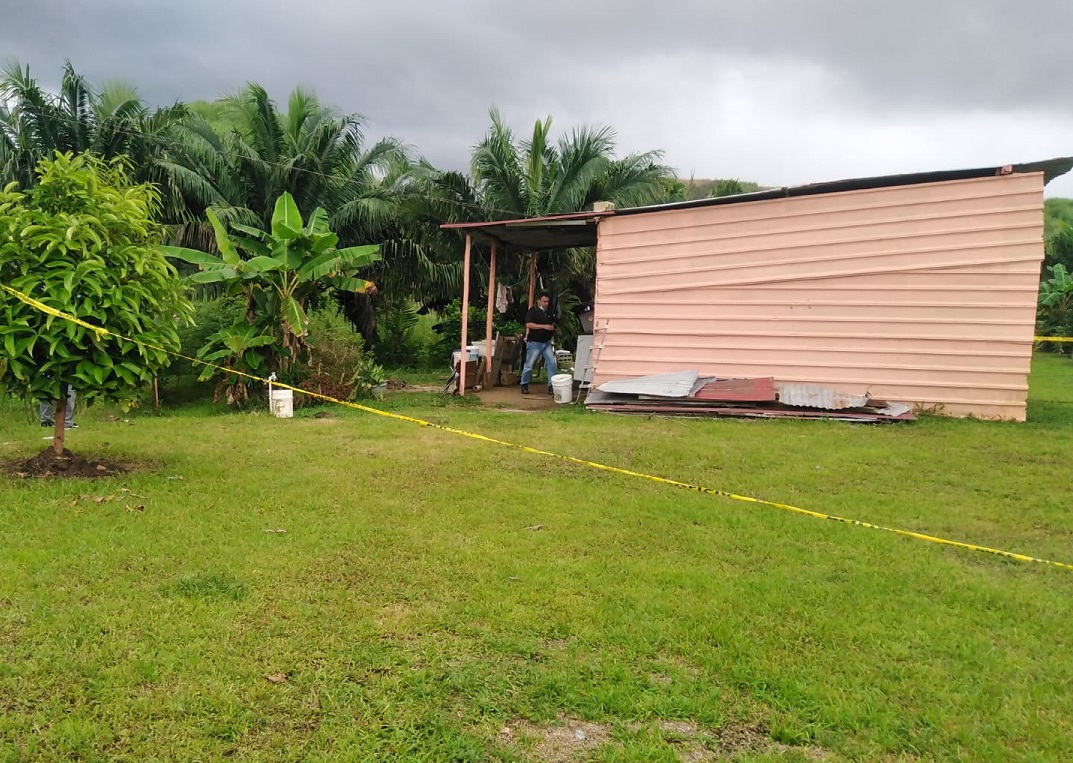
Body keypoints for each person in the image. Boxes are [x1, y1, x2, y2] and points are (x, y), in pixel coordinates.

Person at [521, 292, 557, 394]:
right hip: (534, 343)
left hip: (546, 342)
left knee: (552, 363)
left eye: (547, 302)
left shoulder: (550, 312)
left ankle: (551, 385)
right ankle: (524, 384)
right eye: (544, 301)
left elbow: (554, 322)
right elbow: (529, 324)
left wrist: (553, 326)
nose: (546, 303)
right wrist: (544, 326)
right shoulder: (532, 311)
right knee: (529, 365)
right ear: (538, 301)